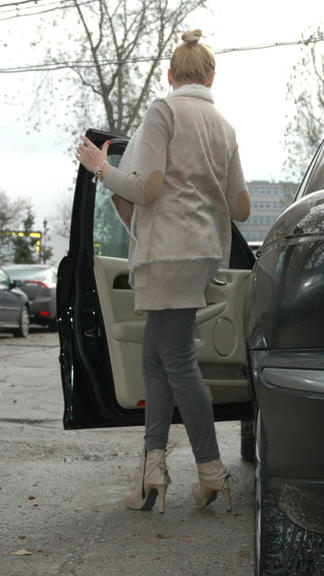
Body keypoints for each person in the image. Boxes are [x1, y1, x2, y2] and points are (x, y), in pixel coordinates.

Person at [75, 29, 251, 514]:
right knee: (156, 360)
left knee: (177, 361)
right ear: (211, 77)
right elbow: (241, 206)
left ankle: (212, 470)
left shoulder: (164, 111)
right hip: (202, 254)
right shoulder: (224, 125)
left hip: (165, 253)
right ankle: (151, 470)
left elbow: (145, 189)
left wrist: (100, 166)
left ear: (171, 75)